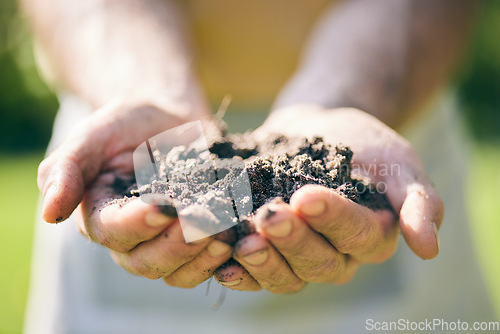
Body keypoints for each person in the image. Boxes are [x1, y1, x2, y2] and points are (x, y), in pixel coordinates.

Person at [22, 0, 496, 333]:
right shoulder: (134, 147)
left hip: (375, 121)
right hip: (130, 130)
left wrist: (342, 97)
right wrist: (147, 91)